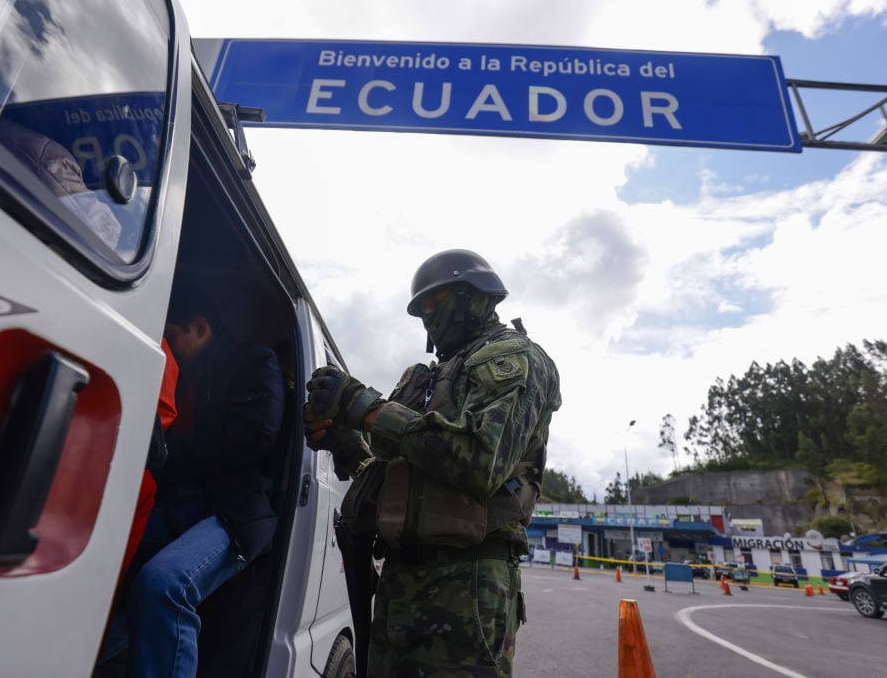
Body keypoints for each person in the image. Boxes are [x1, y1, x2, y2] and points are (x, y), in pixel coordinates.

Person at [305, 249, 562, 677]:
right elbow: (403, 479)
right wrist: (347, 444)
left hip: (468, 583)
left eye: (433, 303)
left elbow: (481, 461)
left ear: (470, 296)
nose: (426, 317)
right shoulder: (431, 377)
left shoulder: (513, 358)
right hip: (401, 579)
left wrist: (366, 410)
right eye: (420, 309)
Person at [121, 286, 285, 677]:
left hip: (231, 511)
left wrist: (165, 453)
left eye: (173, 336)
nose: (169, 348)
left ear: (199, 327)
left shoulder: (254, 362)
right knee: (104, 561)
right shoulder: (176, 373)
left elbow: (252, 438)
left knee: (163, 585)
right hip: (174, 501)